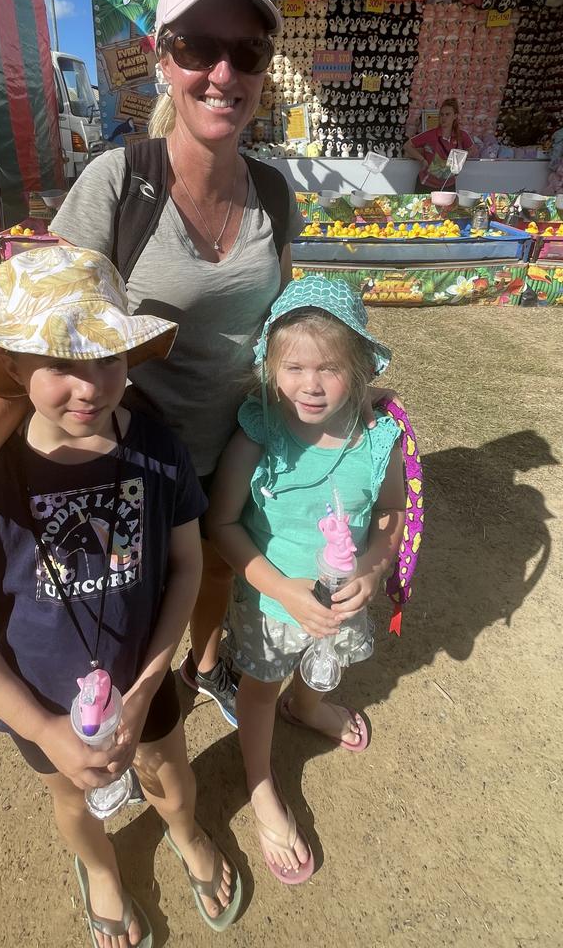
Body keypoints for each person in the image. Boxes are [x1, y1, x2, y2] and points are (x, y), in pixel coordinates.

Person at [0, 0, 305, 728]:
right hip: (132, 457)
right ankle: (124, 713)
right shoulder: (116, 181)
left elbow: (280, 318)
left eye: (248, 50)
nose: (223, 71)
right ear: (167, 57)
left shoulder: (273, 189)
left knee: (211, 575)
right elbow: (42, 327)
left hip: (237, 448)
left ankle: (207, 667)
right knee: (134, 600)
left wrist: (334, 393)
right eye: (201, 46)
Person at [0, 246, 242, 947]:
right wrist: (42, 730)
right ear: (12, 371)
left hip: (145, 677)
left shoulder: (155, 446)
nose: (90, 387)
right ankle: (102, 872)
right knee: (72, 801)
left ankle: (188, 835)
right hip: (41, 702)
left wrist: (149, 682)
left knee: (169, 772)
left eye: (107, 358)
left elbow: (188, 567)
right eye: (60, 367)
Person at [205, 277, 405, 884]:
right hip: (270, 603)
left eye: (330, 369)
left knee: (325, 663)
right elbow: (222, 523)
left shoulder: (378, 441)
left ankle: (310, 704)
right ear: (270, 367)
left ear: (362, 368)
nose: (310, 385)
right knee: (258, 692)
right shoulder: (258, 433)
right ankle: (262, 786)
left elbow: (391, 518)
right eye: (293, 367)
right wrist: (282, 587)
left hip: (338, 602)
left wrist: (373, 568)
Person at [403, 98, 477, 193]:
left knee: (448, 208)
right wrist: (422, 160)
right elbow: (407, 146)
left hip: (449, 184)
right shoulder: (430, 134)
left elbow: (473, 150)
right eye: (441, 114)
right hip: (427, 184)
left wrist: (461, 159)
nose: (444, 117)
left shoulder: (462, 135)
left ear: (455, 116)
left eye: (447, 114)